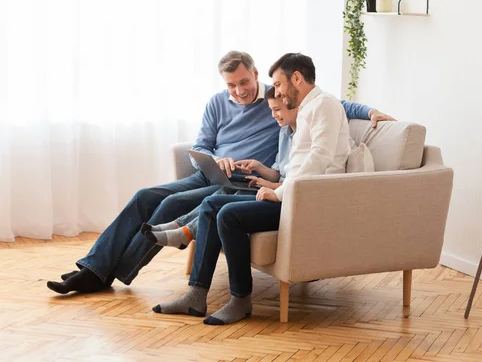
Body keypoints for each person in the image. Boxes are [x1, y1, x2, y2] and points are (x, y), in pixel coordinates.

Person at [47, 51, 393, 294]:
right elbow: (201, 146)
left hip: (242, 182)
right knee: (144, 196)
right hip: (209, 174)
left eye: (243, 82)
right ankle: (95, 268)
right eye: (231, 85)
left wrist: (370, 109)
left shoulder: (278, 99)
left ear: (255, 75)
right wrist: (215, 159)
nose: (238, 91)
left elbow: (332, 104)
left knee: (171, 206)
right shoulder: (217, 102)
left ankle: (105, 275)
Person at [154, 52, 360, 325]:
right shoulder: (308, 109)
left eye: (278, 83)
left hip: (309, 201)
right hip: (295, 194)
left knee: (228, 215)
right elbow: (299, 165)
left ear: (296, 78)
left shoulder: (324, 106)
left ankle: (240, 300)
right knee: (212, 205)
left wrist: (278, 192)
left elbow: (317, 162)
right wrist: (277, 185)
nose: (276, 91)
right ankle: (196, 293)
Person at [142, 86, 297, 250]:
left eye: (277, 110)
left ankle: (185, 233)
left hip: (279, 194)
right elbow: (277, 173)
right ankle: (177, 225)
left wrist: (269, 185)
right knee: (228, 189)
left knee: (220, 197)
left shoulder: (300, 136)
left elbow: (294, 182)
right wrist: (258, 166)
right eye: (271, 110)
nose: (273, 115)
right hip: (236, 178)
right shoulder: (283, 132)